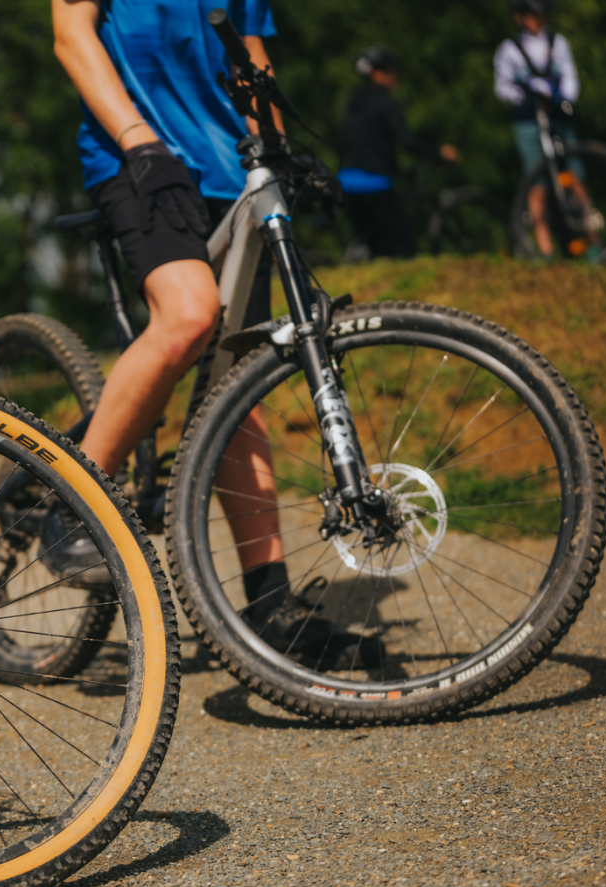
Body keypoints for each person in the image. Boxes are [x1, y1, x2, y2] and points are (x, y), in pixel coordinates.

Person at [48, 0, 381, 666]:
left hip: (234, 169)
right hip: (136, 155)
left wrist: (279, 148)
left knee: (239, 383)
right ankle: (70, 499)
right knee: (189, 315)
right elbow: (70, 33)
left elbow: (250, 56)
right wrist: (138, 141)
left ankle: (271, 604)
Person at [339, 46, 461, 259]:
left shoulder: (353, 102)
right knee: (404, 246)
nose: (396, 78)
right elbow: (407, 141)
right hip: (375, 183)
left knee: (373, 246)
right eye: (392, 72)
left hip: (346, 182)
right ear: (377, 73)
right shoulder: (386, 103)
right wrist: (438, 154)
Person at [494, 0, 584, 258]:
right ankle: (545, 249)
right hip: (528, 119)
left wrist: (563, 98)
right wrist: (526, 95)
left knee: (574, 174)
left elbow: (570, 76)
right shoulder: (509, 49)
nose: (540, 19)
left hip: (558, 116)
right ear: (520, 17)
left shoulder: (557, 42)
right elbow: (502, 87)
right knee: (538, 182)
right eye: (535, 14)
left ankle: (593, 238)